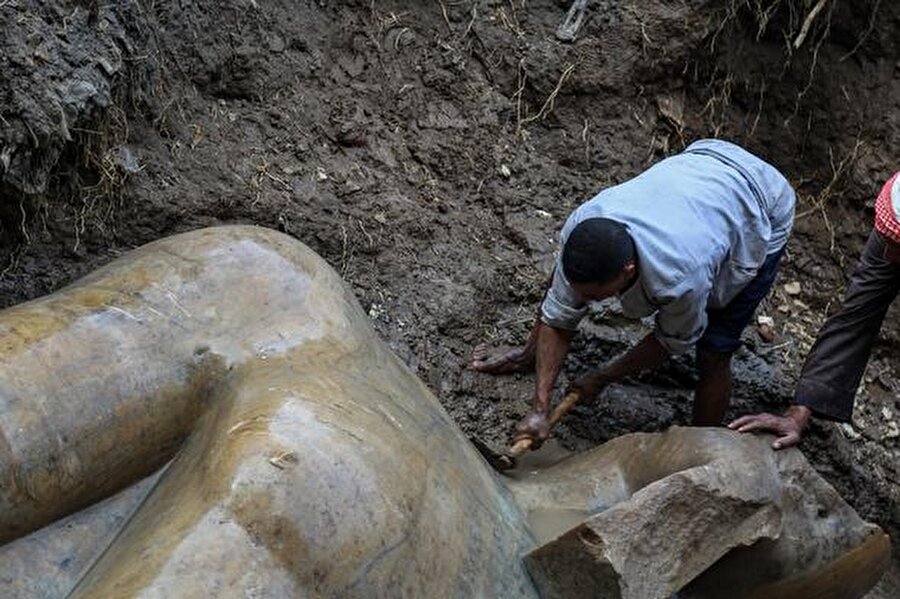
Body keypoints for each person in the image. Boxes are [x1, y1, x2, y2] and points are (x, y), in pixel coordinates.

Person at [470, 139, 796, 446]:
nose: (591, 304)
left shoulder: (680, 275)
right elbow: (559, 315)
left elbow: (671, 341)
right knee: (560, 297)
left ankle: (701, 447)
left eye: (597, 296)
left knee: (715, 346)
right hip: (704, 159)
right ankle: (530, 357)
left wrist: (602, 376)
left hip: (762, 199)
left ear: (628, 270)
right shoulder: (583, 223)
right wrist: (539, 409)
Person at [730, 171, 900, 449]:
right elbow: (854, 320)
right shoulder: (892, 221)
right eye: (890, 245)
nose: (890, 257)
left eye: (897, 249)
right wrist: (798, 413)